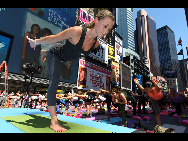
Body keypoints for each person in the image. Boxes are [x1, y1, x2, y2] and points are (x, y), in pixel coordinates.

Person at [26, 10, 115, 132]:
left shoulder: (96, 43)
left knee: (59, 72)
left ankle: (44, 52)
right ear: (96, 20)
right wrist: (35, 41)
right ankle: (53, 121)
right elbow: (54, 38)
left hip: (65, 59)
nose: (106, 31)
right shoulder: (77, 31)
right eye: (105, 26)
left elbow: (76, 53)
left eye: (109, 29)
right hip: (55, 53)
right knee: (54, 80)